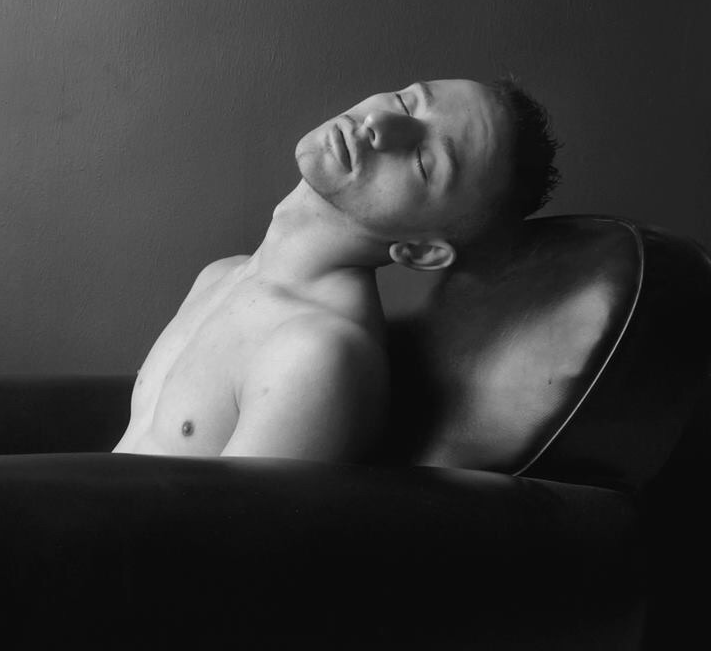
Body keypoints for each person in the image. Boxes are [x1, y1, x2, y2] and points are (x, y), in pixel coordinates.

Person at [113, 77, 559, 462]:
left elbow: (214, 534)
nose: (379, 125)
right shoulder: (220, 276)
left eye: (423, 162)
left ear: (422, 251)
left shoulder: (315, 353)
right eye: (405, 102)